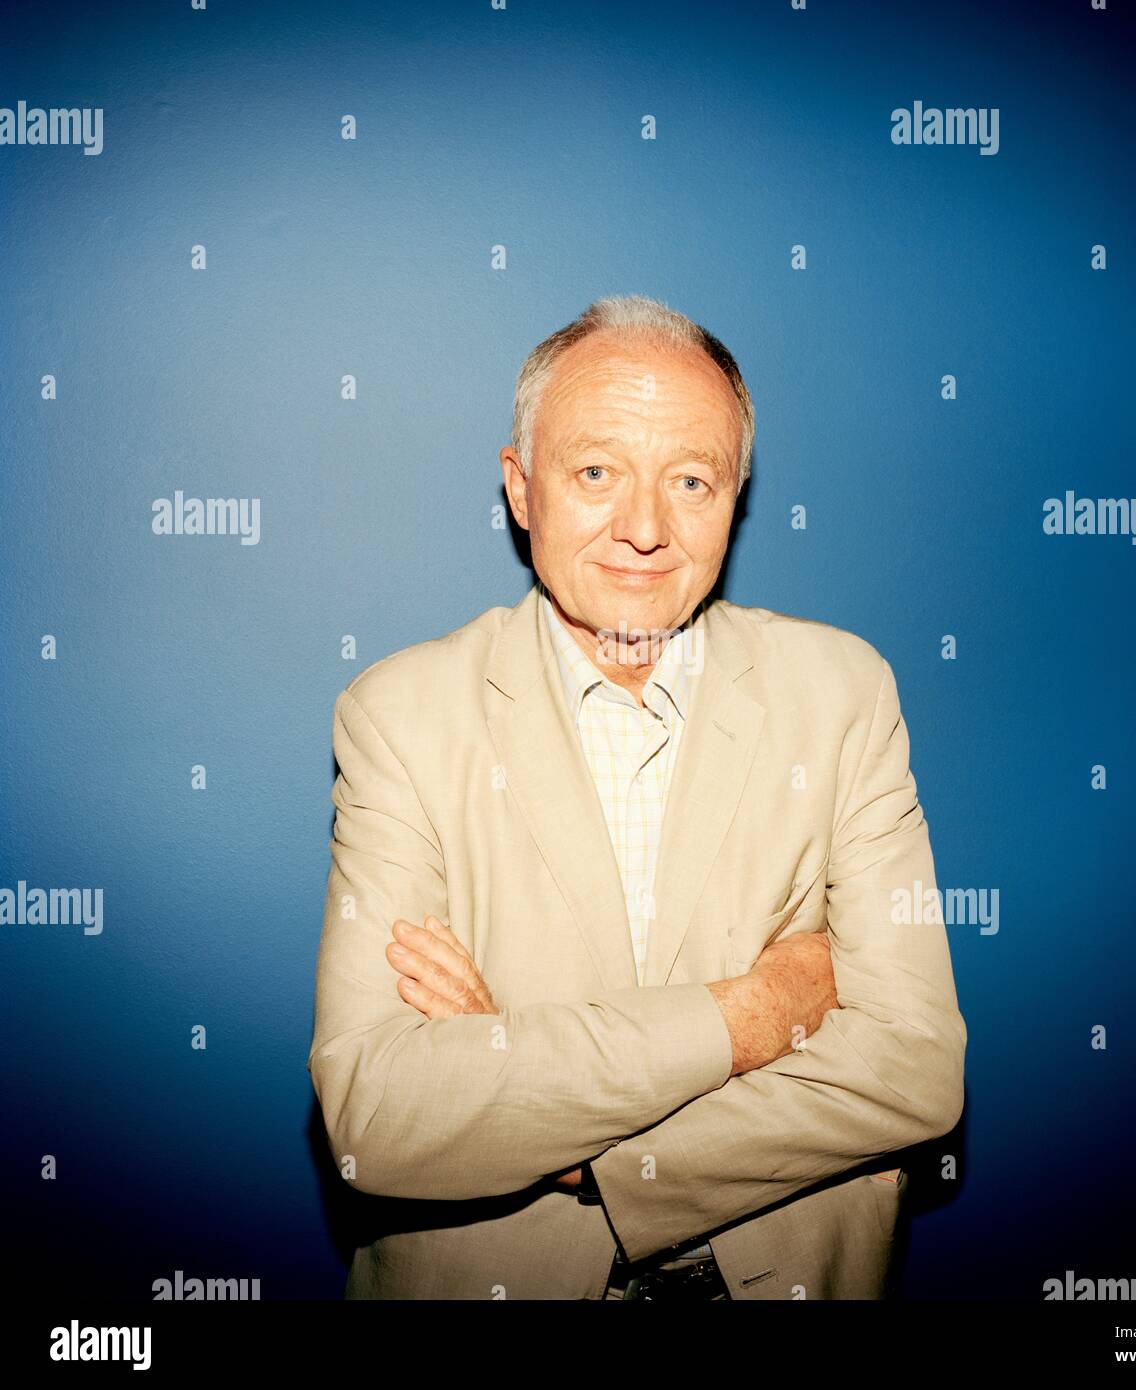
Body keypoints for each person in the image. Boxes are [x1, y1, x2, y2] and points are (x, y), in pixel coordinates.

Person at [307, 294, 966, 1300]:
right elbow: (380, 1117)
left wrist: (578, 1148)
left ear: (736, 496)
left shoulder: (842, 693)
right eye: (597, 472)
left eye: (691, 480)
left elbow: (915, 1069)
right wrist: (755, 1014)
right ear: (520, 487)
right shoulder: (401, 714)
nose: (645, 529)